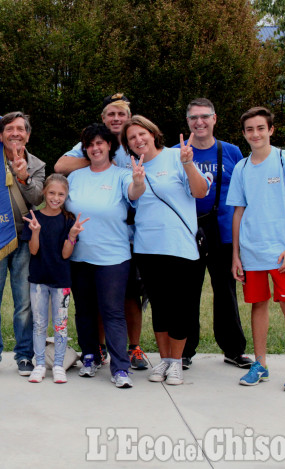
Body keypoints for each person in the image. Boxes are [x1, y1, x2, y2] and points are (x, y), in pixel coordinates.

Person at [55, 93, 149, 371]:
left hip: (127, 237)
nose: (117, 119)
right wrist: (97, 158)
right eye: (111, 114)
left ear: (129, 117)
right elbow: (61, 166)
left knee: (127, 299)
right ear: (104, 119)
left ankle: (132, 350)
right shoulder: (94, 146)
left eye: (122, 114)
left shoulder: (135, 138)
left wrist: (133, 178)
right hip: (86, 247)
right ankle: (95, 351)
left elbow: (135, 189)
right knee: (89, 306)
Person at [120, 115, 209, 386]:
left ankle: (177, 362)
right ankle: (165, 360)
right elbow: (133, 196)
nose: (138, 140)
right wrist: (137, 180)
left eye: (141, 134)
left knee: (180, 307)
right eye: (132, 138)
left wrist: (187, 163)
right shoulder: (130, 166)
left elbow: (201, 191)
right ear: (128, 145)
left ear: (153, 133)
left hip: (181, 246)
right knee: (159, 306)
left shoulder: (177, 157)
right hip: (148, 248)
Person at [228, 106, 285, 392]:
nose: (255, 134)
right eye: (250, 129)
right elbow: (238, 213)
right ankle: (260, 365)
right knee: (258, 305)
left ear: (271, 130)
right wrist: (236, 255)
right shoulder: (241, 168)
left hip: (281, 252)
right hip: (252, 253)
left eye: (261, 128)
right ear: (244, 134)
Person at [174, 98, 251, 370]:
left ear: (215, 119)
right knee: (186, 293)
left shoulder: (230, 152)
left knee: (226, 292)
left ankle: (233, 349)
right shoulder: (176, 153)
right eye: (194, 117)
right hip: (188, 232)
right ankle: (184, 350)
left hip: (223, 233)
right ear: (187, 121)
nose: (200, 122)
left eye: (205, 116)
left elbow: (245, 192)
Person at [0, 111, 46, 377]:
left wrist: (24, 177)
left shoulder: (37, 164)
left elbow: (38, 198)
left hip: (23, 239)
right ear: (0, 134)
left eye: (20, 129)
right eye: (9, 129)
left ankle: (25, 356)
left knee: (25, 303)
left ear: (27, 135)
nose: (15, 133)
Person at [21, 174, 87, 384]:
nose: (55, 198)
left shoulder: (68, 220)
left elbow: (66, 254)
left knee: (60, 324)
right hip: (38, 280)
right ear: (44, 192)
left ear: (66, 196)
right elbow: (33, 250)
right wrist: (36, 232)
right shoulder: (34, 218)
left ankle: (58, 364)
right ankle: (40, 364)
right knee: (39, 324)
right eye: (51, 193)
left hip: (62, 282)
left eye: (61, 194)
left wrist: (73, 235)